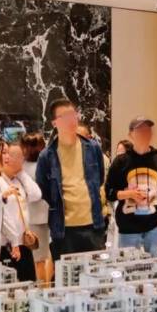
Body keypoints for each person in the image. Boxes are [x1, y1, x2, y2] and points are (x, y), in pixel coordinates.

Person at [36, 99, 106, 260]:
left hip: (93, 225)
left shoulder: (92, 148)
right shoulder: (47, 156)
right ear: (54, 123)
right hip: (64, 229)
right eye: (65, 117)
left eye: (73, 115)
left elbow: (99, 179)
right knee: (66, 273)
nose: (71, 120)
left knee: (95, 271)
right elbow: (44, 189)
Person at [106, 117, 157, 257]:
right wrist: (129, 194)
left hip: (156, 227)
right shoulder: (121, 162)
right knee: (129, 266)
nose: (144, 133)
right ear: (130, 134)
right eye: (140, 130)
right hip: (128, 227)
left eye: (147, 130)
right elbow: (109, 192)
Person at [0, 141, 42, 282]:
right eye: (18, 156)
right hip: (7, 244)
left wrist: (22, 173)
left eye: (22, 156)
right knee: (10, 284)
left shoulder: (19, 180)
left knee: (29, 282)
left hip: (23, 241)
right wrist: (12, 241)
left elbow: (36, 194)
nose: (22, 160)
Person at [20, 133, 52, 285]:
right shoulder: (46, 165)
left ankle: (42, 289)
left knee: (38, 259)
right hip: (43, 215)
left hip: (34, 217)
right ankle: (45, 287)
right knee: (45, 257)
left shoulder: (24, 169)